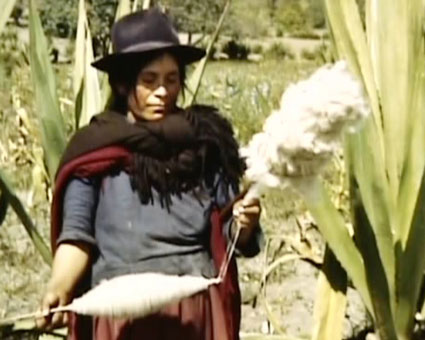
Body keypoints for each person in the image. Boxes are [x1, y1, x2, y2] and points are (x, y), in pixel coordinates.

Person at [36, 8, 263, 340]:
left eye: (172, 79)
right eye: (149, 80)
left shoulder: (206, 143)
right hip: (121, 315)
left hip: (196, 311)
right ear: (123, 83)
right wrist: (59, 286)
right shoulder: (94, 150)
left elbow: (232, 230)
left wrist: (246, 224)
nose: (163, 91)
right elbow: (76, 236)